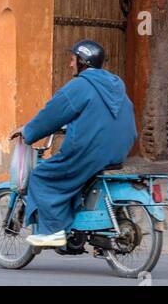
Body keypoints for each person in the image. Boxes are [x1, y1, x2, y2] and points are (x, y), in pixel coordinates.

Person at [10, 39, 137, 248]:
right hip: (120, 148)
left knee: (43, 176)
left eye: (72, 60)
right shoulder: (115, 83)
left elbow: (52, 115)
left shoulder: (80, 86)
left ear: (82, 62)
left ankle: (52, 232)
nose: (70, 65)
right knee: (74, 176)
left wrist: (28, 131)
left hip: (90, 150)